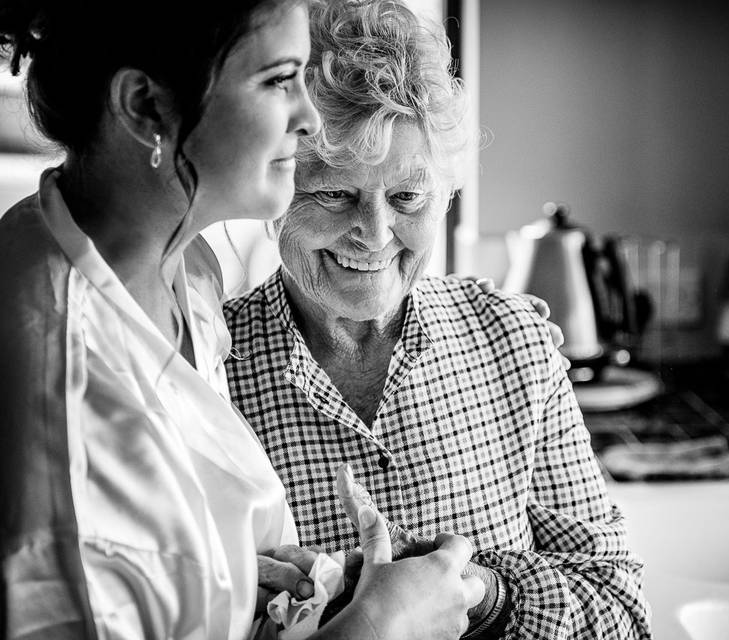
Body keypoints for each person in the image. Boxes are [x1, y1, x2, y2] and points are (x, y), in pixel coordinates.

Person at [0, 1, 484, 637]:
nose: (309, 117)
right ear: (146, 105)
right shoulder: (65, 390)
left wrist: (270, 603)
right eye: (280, 79)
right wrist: (377, 627)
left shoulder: (188, 273)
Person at [223, 1, 652, 637]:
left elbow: (622, 610)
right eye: (334, 193)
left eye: (407, 197)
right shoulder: (207, 360)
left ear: (445, 197)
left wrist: (484, 596)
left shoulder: (515, 340)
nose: (373, 234)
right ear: (271, 190)